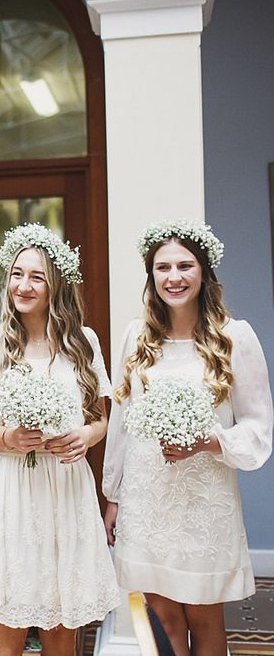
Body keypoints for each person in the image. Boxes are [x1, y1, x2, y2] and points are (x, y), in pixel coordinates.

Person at [103, 219, 273, 656]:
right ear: (151, 275)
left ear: (205, 272)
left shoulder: (235, 338)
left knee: (203, 616)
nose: (173, 278)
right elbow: (121, 421)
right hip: (146, 498)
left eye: (184, 266)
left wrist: (210, 441)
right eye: (162, 268)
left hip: (204, 501)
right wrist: (113, 495)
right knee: (162, 617)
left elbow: (257, 426)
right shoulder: (135, 337)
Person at [0, 224, 119, 655]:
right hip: (13, 489)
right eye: (16, 274)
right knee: (7, 628)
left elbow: (101, 417)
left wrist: (86, 435)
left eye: (37, 277)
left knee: (63, 630)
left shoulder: (84, 341)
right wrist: (8, 437)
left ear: (56, 285)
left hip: (67, 487)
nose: (23, 286)